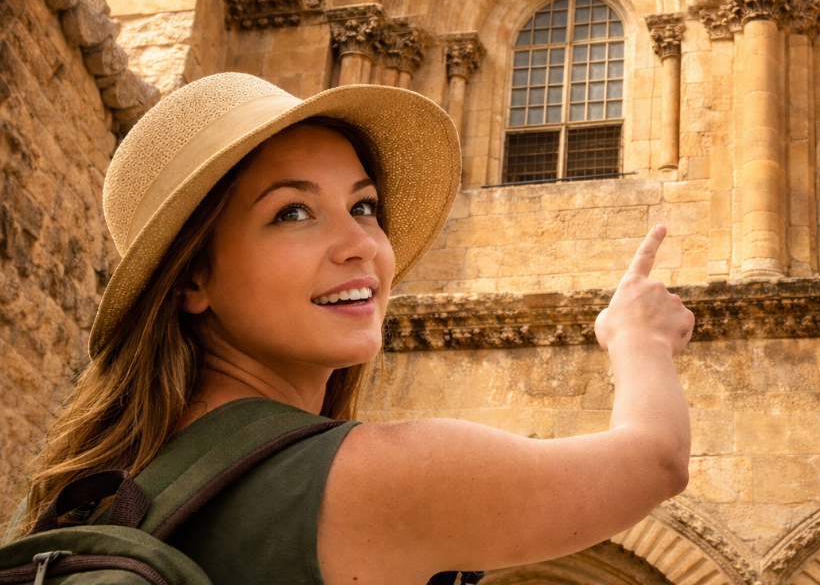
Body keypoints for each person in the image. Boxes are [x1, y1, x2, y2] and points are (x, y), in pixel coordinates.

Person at [7, 73, 694, 584]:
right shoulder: (378, 478)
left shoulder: (86, 495)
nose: (360, 243)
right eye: (292, 214)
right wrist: (640, 339)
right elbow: (654, 460)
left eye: (363, 206)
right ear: (193, 279)